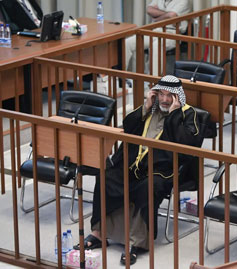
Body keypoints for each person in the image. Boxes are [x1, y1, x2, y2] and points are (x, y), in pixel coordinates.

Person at [73, 75, 204, 265]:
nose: (165, 100)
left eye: (170, 96)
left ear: (177, 97)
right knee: (106, 177)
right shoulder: (149, 109)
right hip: (134, 163)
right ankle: (99, 233)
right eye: (161, 95)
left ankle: (136, 243)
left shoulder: (186, 114)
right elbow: (128, 127)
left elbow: (187, 143)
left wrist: (175, 114)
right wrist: (145, 106)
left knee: (149, 187)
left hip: (161, 169)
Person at [125, 0, 192, 75]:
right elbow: (149, 9)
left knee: (156, 45)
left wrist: (156, 18)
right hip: (155, 30)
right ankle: (120, 78)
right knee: (127, 43)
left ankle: (153, 81)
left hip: (172, 33)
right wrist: (167, 14)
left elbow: (172, 16)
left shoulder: (183, 1)